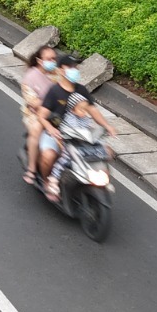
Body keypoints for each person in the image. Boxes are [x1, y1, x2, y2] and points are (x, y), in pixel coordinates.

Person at [36, 55, 118, 201]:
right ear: (60, 71)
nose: (74, 70)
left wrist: (107, 126)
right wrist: (51, 129)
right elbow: (42, 116)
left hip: (79, 135)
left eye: (75, 67)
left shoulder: (81, 90)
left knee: (106, 152)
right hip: (56, 133)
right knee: (49, 156)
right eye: (70, 67)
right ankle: (48, 181)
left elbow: (93, 111)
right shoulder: (54, 91)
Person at [21, 45, 60, 186]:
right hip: (35, 114)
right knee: (37, 129)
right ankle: (31, 169)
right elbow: (33, 103)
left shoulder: (58, 73)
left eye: (54, 58)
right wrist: (52, 98)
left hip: (57, 111)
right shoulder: (30, 78)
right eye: (48, 59)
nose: (52, 61)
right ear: (39, 60)